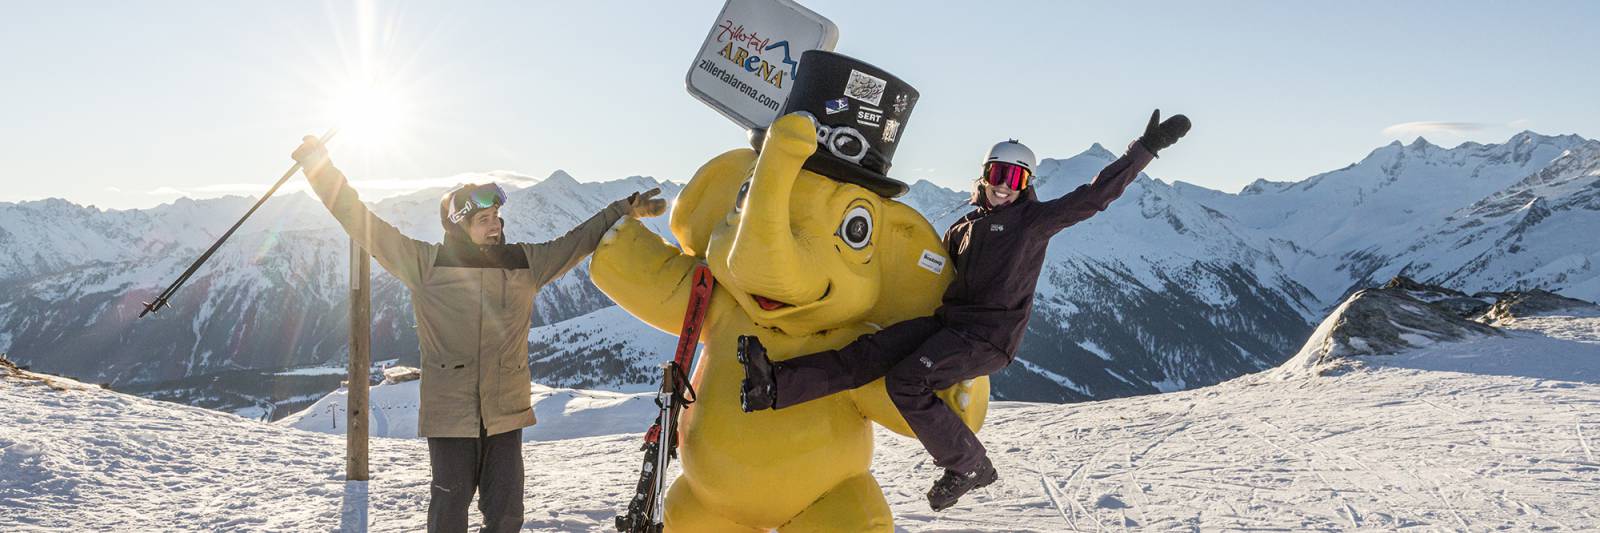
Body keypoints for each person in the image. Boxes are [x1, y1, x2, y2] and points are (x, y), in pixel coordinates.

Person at [736, 110, 1191, 511]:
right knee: (870, 351)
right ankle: (773, 386)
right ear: (984, 174)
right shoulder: (964, 225)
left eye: (1013, 178)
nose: (1001, 186)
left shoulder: (1033, 223)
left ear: (1026, 184)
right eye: (997, 173)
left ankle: (970, 466)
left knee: (906, 381)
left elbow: (1094, 196)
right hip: (950, 326)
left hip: (988, 338)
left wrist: (1144, 149)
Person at [290, 136, 666, 532]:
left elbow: (578, 241)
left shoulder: (524, 262)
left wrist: (623, 210)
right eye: (485, 220)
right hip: (451, 417)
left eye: (498, 218)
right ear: (460, 226)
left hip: (506, 413)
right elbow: (362, 222)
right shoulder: (426, 264)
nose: (496, 226)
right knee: (449, 516)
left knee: (506, 515)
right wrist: (319, 166)